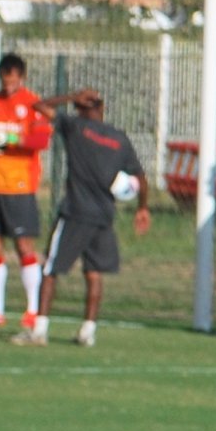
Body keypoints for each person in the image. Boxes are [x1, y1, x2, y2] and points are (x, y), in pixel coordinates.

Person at [27, 87, 151, 347]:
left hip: (75, 212)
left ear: (82, 109)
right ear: (102, 110)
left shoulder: (76, 126)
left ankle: (39, 330)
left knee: (50, 271)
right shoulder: (119, 138)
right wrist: (142, 208)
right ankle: (87, 332)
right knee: (94, 274)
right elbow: (140, 177)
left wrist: (71, 97)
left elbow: (38, 105)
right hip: (103, 217)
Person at [0, 52, 50, 333]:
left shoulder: (32, 103)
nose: (9, 82)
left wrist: (12, 138)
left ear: (22, 77)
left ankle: (31, 309)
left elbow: (41, 140)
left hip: (19, 187)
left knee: (24, 246)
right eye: (5, 77)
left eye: (14, 77)